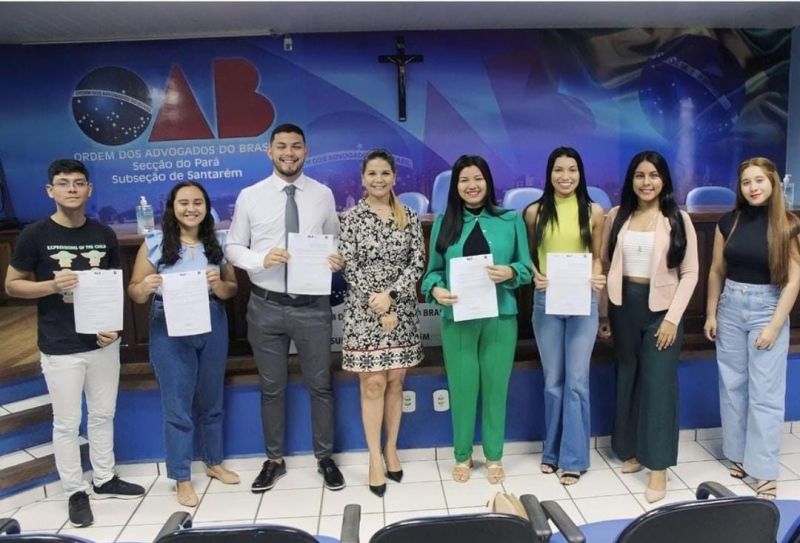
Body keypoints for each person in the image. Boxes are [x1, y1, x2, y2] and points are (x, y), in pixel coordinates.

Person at [4, 159, 144, 528]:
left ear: (89, 189)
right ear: (50, 190)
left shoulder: (104, 233)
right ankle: (74, 490)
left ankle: (104, 478)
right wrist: (51, 285)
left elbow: (112, 286)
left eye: (79, 182)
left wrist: (113, 328)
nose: (71, 189)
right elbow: (12, 285)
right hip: (60, 344)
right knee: (67, 423)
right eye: (63, 183)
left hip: (101, 343)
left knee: (102, 415)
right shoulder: (34, 234)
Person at [225, 123, 345, 492]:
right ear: (270, 151)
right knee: (271, 388)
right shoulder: (251, 196)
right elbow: (233, 246)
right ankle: (274, 460)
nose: (288, 153)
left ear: (305, 151)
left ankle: (325, 458)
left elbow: (334, 238)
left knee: (320, 385)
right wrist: (260, 259)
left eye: (295, 146)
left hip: (312, 306)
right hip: (266, 306)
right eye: (281, 146)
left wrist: (335, 257)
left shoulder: (323, 194)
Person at [421, 155, 533, 484]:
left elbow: (526, 268)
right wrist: (436, 289)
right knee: (462, 389)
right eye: (464, 180)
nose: (472, 185)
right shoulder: (444, 222)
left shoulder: (510, 220)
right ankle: (462, 455)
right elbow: (432, 273)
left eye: (478, 178)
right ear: (455, 186)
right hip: (458, 319)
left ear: (488, 182)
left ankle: (494, 456)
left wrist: (510, 271)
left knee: (496, 389)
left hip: (500, 318)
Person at [128, 181, 240, 506]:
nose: (191, 208)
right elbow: (134, 292)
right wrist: (144, 286)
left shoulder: (219, 242)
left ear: (206, 207)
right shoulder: (155, 243)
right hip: (168, 324)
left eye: (197, 202)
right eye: (184, 203)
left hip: (212, 320)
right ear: (172, 207)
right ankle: (181, 477)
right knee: (177, 404)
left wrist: (219, 285)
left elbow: (232, 288)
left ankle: (214, 462)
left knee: (212, 398)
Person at [598, 150, 698, 503]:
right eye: (640, 175)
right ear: (631, 180)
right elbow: (606, 265)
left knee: (658, 387)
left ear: (664, 180)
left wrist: (672, 319)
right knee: (628, 379)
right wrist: (605, 315)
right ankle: (633, 450)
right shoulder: (617, 216)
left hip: (662, 312)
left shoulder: (678, 219)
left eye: (653, 175)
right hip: (624, 307)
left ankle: (658, 468)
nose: (646, 182)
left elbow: (690, 273)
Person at [704, 157, 800, 500]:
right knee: (732, 385)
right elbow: (716, 270)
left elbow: (794, 281)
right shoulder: (728, 221)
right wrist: (711, 314)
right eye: (746, 182)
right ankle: (738, 455)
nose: (753, 187)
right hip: (730, 306)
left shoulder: (788, 224)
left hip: (767, 309)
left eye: (759, 180)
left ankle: (764, 471)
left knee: (765, 394)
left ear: (772, 182)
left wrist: (774, 326)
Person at [338, 149, 425, 497]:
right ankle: (374, 457)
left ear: (394, 177)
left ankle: (391, 448)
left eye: (385, 173)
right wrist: (378, 301)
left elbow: (417, 262)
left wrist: (393, 296)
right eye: (372, 173)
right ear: (363, 179)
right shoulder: (351, 218)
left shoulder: (409, 216)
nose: (379, 179)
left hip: (401, 311)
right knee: (372, 383)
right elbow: (350, 266)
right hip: (365, 312)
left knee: (395, 381)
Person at [523, 147, 606, 486]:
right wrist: (534, 275)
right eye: (559, 170)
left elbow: (597, 257)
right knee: (553, 381)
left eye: (572, 169)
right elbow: (527, 256)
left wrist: (597, 276)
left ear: (580, 173)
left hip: (583, 301)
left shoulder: (594, 211)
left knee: (577, 382)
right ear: (550, 173)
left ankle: (574, 459)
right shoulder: (534, 212)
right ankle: (552, 452)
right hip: (547, 301)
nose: (565, 176)